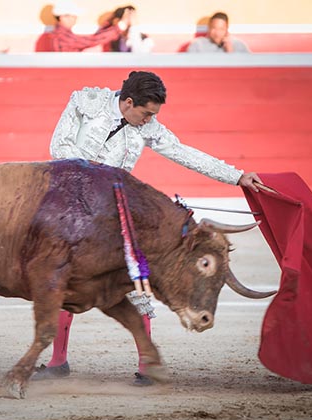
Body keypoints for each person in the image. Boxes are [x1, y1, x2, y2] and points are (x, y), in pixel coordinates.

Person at [34, 70, 263, 385]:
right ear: (127, 102)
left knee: (137, 276)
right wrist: (97, 181)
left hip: (115, 211)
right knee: (63, 277)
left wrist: (237, 176)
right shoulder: (85, 102)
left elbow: (184, 153)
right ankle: (58, 360)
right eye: (145, 113)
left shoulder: (147, 126)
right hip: (73, 205)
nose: (148, 120)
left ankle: (148, 363)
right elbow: (59, 148)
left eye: (153, 115)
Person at [40, 0, 126, 52]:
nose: (75, 19)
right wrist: (119, 27)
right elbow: (92, 40)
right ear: (63, 17)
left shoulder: (59, 33)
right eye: (73, 16)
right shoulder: (62, 36)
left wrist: (109, 25)